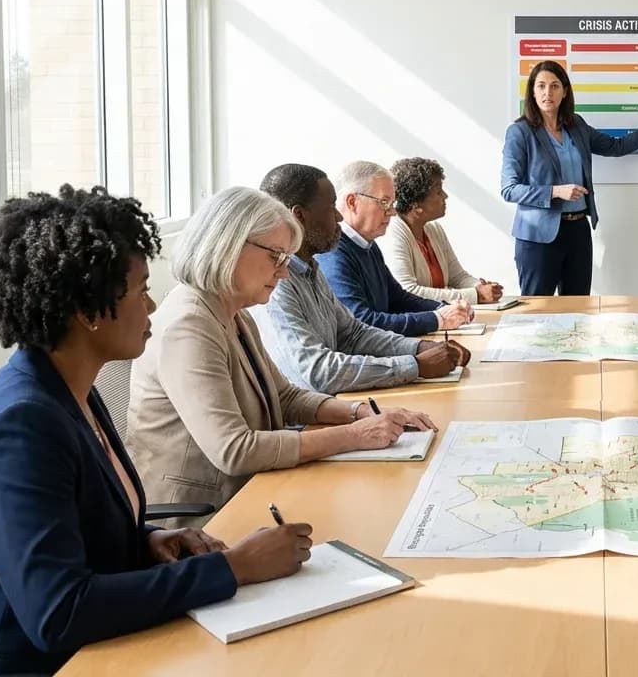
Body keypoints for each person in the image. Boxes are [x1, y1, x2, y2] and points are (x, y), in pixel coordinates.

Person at [0, 186, 313, 676]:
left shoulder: (73, 389)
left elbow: (72, 527)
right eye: (140, 291)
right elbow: (59, 611)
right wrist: (234, 567)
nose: (152, 306)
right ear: (88, 311)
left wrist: (146, 540)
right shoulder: (19, 427)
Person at [127, 186, 435, 527]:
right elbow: (235, 450)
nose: (284, 272)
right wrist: (356, 435)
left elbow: (285, 397)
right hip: (200, 521)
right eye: (276, 257)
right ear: (228, 246)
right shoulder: (188, 326)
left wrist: (361, 413)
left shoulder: (234, 312)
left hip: (251, 491)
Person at [256, 162, 470, 393]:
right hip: (312, 410)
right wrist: (415, 365)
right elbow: (318, 371)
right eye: (331, 206)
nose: (339, 216)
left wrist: (419, 347)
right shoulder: (278, 284)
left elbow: (353, 335)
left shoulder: (312, 269)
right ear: (299, 215)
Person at [502, 59, 638, 295]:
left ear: (565, 91)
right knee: (538, 309)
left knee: (578, 307)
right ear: (532, 92)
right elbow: (509, 189)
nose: (548, 92)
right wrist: (556, 191)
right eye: (541, 86)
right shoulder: (519, 132)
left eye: (555, 86)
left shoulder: (576, 125)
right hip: (538, 237)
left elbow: (617, 147)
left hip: (578, 231)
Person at [319, 160, 474, 336]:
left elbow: (399, 300)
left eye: (392, 203)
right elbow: (361, 322)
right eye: (384, 202)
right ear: (352, 202)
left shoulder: (368, 245)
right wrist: (438, 319)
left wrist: (445, 308)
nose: (392, 212)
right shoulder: (333, 253)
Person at [383, 156, 503, 304]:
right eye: (439, 192)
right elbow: (408, 291)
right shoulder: (393, 234)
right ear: (416, 205)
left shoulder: (434, 229)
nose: (445, 196)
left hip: (444, 313)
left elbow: (457, 277)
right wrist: (476, 295)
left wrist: (480, 286)